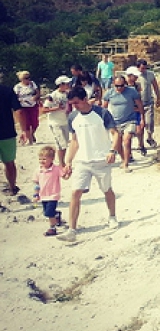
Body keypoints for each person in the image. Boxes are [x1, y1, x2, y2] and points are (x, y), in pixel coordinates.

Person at [56, 86, 120, 243]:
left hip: (101, 160)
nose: (74, 106)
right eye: (72, 103)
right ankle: (72, 230)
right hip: (82, 161)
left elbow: (115, 133)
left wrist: (112, 150)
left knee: (106, 190)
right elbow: (74, 141)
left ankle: (112, 216)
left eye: (76, 103)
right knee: (75, 193)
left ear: (85, 99)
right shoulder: (72, 117)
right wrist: (68, 162)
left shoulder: (102, 113)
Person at [102, 74, 144, 171]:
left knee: (127, 140)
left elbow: (140, 105)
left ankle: (126, 164)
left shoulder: (132, 92)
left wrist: (142, 118)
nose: (119, 88)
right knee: (118, 143)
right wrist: (103, 120)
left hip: (130, 119)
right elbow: (104, 108)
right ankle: (123, 159)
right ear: (113, 84)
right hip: (115, 121)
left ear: (125, 84)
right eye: (117, 86)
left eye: (121, 85)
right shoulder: (109, 93)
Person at [32, 145, 66, 236]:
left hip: (53, 195)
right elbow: (36, 184)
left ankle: (52, 229)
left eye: (44, 159)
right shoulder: (38, 170)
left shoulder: (56, 169)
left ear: (52, 159)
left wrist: (68, 172)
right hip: (43, 195)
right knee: (46, 212)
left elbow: (64, 176)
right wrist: (36, 195)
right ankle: (57, 215)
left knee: (49, 213)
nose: (41, 161)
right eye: (40, 159)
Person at [42, 75, 72, 166]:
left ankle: (62, 161)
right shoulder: (52, 96)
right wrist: (56, 108)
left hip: (65, 122)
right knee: (60, 143)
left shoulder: (68, 94)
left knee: (65, 144)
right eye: (67, 83)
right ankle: (61, 163)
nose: (68, 84)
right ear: (61, 84)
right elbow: (44, 110)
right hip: (55, 123)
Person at [0, 81, 23, 195]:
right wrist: (22, 129)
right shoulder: (7, 90)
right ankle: (12, 187)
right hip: (7, 132)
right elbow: (18, 110)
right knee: (9, 163)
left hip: (7, 133)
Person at [133, 60, 160, 151]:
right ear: (137, 67)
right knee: (139, 125)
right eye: (142, 68)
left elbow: (155, 86)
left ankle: (149, 137)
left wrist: (158, 97)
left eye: (145, 68)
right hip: (137, 104)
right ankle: (139, 143)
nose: (143, 70)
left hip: (148, 102)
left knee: (149, 122)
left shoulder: (150, 74)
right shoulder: (133, 76)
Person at [14, 70, 41, 144]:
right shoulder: (17, 87)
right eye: (26, 78)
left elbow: (38, 93)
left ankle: (32, 134)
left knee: (35, 123)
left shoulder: (32, 84)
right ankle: (30, 140)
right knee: (27, 123)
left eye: (29, 78)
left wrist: (36, 97)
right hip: (23, 107)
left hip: (33, 105)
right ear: (22, 79)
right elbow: (15, 97)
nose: (28, 79)